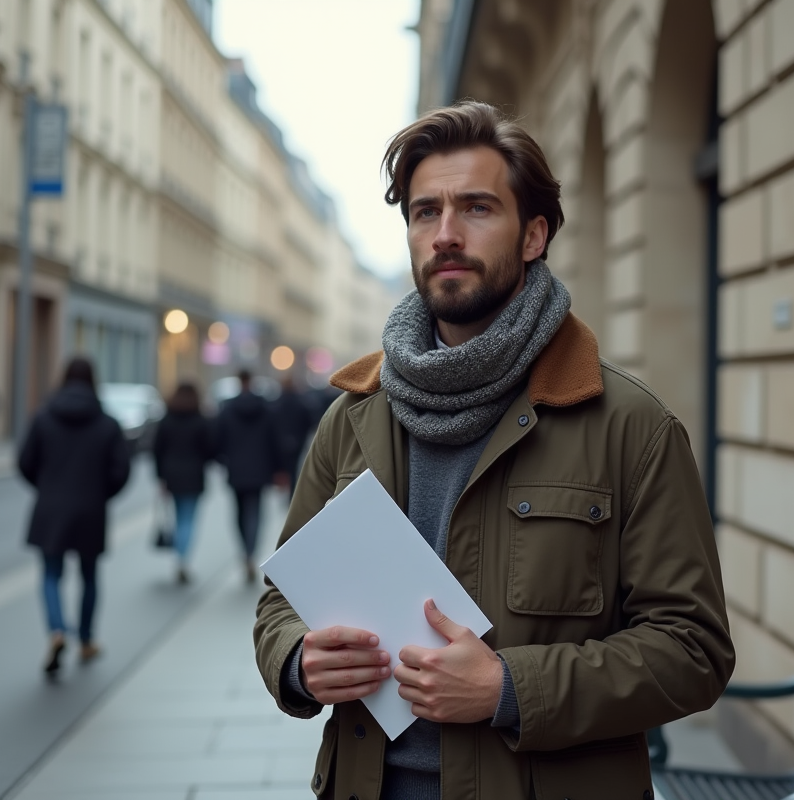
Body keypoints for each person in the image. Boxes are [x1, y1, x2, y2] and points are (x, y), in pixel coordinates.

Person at [253, 101, 735, 799]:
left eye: (476, 208)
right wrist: (298, 660)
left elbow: (693, 650)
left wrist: (511, 688)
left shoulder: (630, 425)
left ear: (534, 234)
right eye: (425, 212)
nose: (445, 234)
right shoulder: (353, 417)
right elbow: (280, 600)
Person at [19, 357, 130, 675]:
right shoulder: (107, 422)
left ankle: (56, 630)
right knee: (89, 575)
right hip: (90, 509)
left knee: (51, 574)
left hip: (51, 507)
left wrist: (46, 486)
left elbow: (25, 462)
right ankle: (85, 639)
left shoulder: (43, 417)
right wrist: (100, 494)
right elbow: (121, 471)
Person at [153, 382, 214, 585]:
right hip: (193, 475)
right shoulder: (200, 420)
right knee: (188, 518)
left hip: (171, 475)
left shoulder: (167, 419)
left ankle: (179, 558)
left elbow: (157, 450)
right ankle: (182, 559)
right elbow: (209, 449)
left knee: (179, 516)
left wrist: (160, 476)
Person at [216, 369, 274, 582]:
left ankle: (245, 551)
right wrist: (278, 468)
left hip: (236, 469)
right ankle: (251, 551)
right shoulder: (265, 407)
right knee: (255, 513)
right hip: (260, 469)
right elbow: (273, 439)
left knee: (239, 513)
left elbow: (218, 439)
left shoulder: (227, 408)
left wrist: (223, 460)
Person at [267, 374, 313, 499]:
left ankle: (283, 489)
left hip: (279, 441)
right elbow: (308, 422)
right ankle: (291, 494)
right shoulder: (301, 403)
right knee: (293, 470)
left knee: (282, 468)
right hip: (297, 441)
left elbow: (271, 424)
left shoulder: (275, 404)